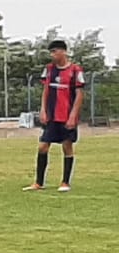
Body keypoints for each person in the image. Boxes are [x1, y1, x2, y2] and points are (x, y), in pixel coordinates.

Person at [25, 39, 85, 192]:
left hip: (66, 115)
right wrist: (43, 109)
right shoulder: (49, 69)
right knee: (43, 146)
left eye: (54, 51)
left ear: (63, 52)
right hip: (51, 116)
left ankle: (65, 182)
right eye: (50, 52)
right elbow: (46, 90)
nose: (52, 55)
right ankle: (39, 182)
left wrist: (73, 115)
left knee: (67, 146)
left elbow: (79, 94)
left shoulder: (75, 70)